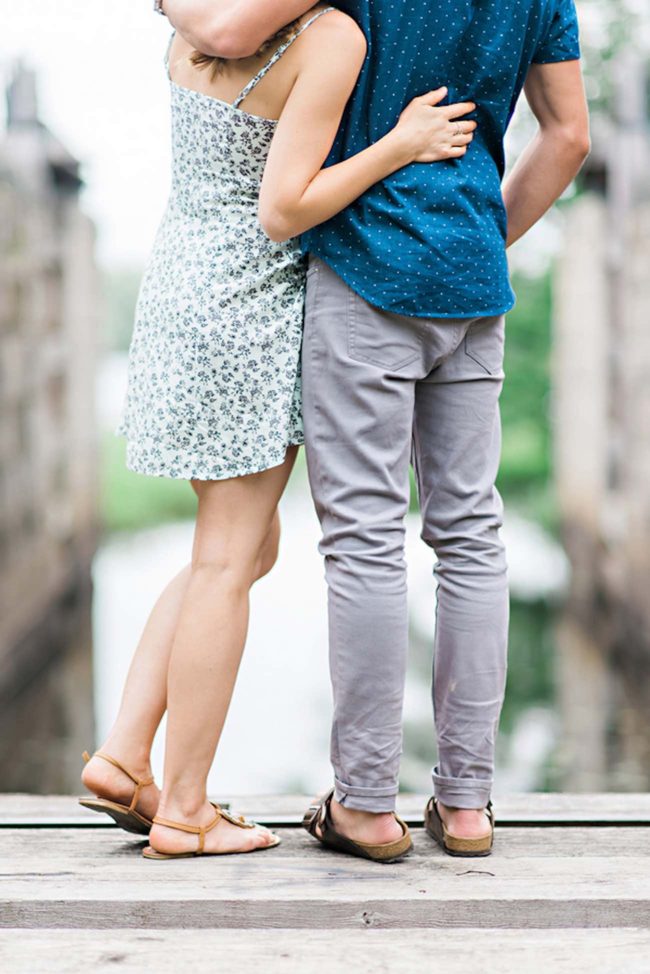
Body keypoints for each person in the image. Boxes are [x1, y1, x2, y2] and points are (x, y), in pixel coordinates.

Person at [162, 0, 590, 859]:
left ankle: (363, 802)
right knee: (470, 532)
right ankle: (467, 806)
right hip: (470, 280)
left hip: (364, 270)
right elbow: (569, 136)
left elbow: (230, 28)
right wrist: (475, 239)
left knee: (364, 539)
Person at [80, 4, 478, 860]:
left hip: (182, 282)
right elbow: (285, 208)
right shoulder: (330, 37)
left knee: (234, 552)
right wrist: (399, 145)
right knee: (230, 559)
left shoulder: (202, 19)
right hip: (246, 306)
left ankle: (122, 755)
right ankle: (185, 810)